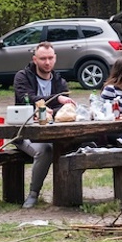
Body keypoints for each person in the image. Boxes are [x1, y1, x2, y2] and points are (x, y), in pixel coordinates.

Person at [13, 42, 76, 208]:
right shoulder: (22, 77)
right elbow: (26, 97)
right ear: (35, 59)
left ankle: (69, 197)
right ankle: (33, 194)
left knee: (74, 146)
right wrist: (56, 100)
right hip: (26, 134)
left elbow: (65, 110)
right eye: (42, 59)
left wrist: (54, 108)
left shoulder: (59, 81)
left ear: (55, 58)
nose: (47, 62)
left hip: (53, 133)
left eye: (50, 58)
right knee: (46, 151)